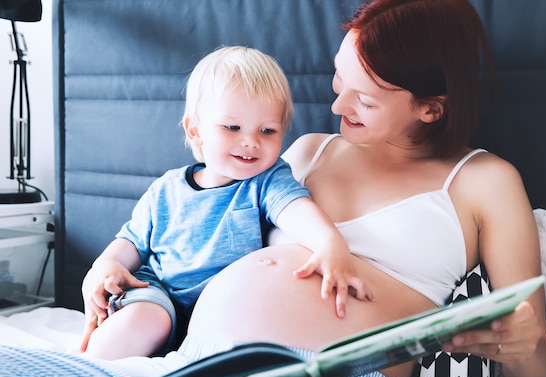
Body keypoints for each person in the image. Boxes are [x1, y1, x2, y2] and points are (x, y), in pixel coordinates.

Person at [0, 0, 546, 377]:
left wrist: (524, 341)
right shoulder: (307, 150)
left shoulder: (484, 182)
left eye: (364, 98)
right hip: (198, 369)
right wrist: (117, 267)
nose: (337, 103)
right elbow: (186, 219)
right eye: (340, 79)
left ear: (431, 109)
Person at [79, 46, 373, 360]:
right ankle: (89, 375)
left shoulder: (266, 181)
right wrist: (105, 265)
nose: (251, 141)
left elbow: (297, 210)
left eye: (267, 130)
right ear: (196, 130)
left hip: (221, 309)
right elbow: (131, 243)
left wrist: (330, 243)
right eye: (232, 127)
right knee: (145, 321)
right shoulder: (165, 189)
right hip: (158, 292)